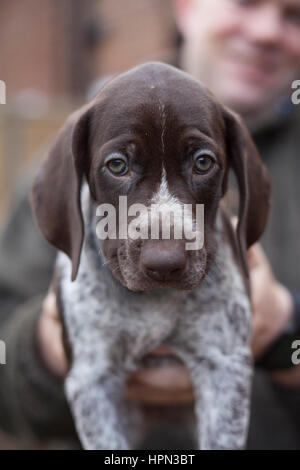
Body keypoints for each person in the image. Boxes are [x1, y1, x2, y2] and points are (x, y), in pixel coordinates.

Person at [0, 0, 300, 449]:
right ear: (186, 6)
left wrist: (286, 333)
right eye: (246, 2)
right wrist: (47, 347)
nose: (264, 32)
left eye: (294, 14)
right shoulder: (75, 153)